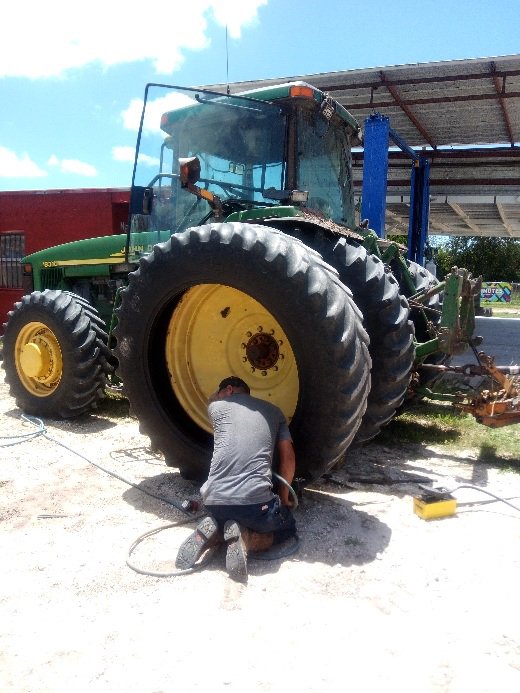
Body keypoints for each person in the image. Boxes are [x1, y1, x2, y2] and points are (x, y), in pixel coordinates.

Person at [175, 376, 297, 581]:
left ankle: (214, 531)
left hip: (214, 502)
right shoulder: (275, 412)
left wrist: (219, 394)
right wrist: (284, 498)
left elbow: (211, 399)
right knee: (288, 526)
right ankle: (248, 540)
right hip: (255, 507)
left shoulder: (216, 407)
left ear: (229, 390)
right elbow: (289, 458)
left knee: (226, 514)